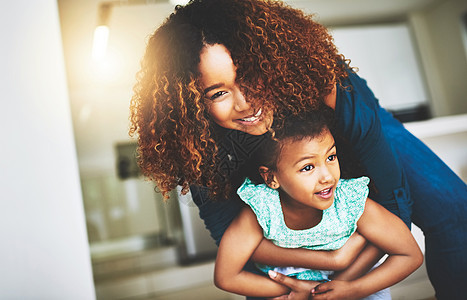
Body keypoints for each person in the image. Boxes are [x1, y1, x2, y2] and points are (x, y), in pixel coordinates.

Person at [129, 0, 467, 299]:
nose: (245, 104)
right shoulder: (194, 138)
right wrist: (318, 269)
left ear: (270, 63)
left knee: (451, 208)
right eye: (218, 93)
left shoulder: (319, 80)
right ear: (192, 105)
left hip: (348, 127)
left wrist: (344, 279)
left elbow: (395, 203)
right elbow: (236, 248)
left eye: (248, 75)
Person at [214, 108, 423, 299]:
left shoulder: (350, 202)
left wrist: (354, 290)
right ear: (271, 178)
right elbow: (227, 276)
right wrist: (299, 291)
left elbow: (409, 254)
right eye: (307, 168)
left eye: (331, 157)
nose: (327, 177)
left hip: (357, 288)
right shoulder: (263, 210)